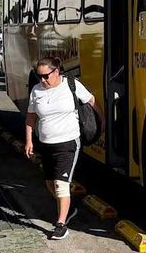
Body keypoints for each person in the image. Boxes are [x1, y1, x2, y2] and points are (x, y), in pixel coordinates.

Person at [24, 56, 102, 240]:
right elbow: (31, 117)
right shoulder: (36, 90)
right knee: (50, 184)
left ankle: (61, 225)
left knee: (61, 184)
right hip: (45, 144)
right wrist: (29, 141)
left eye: (46, 76)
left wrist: (102, 122)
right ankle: (69, 207)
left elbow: (92, 101)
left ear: (56, 71)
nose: (43, 80)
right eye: (39, 76)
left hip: (68, 142)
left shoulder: (71, 85)